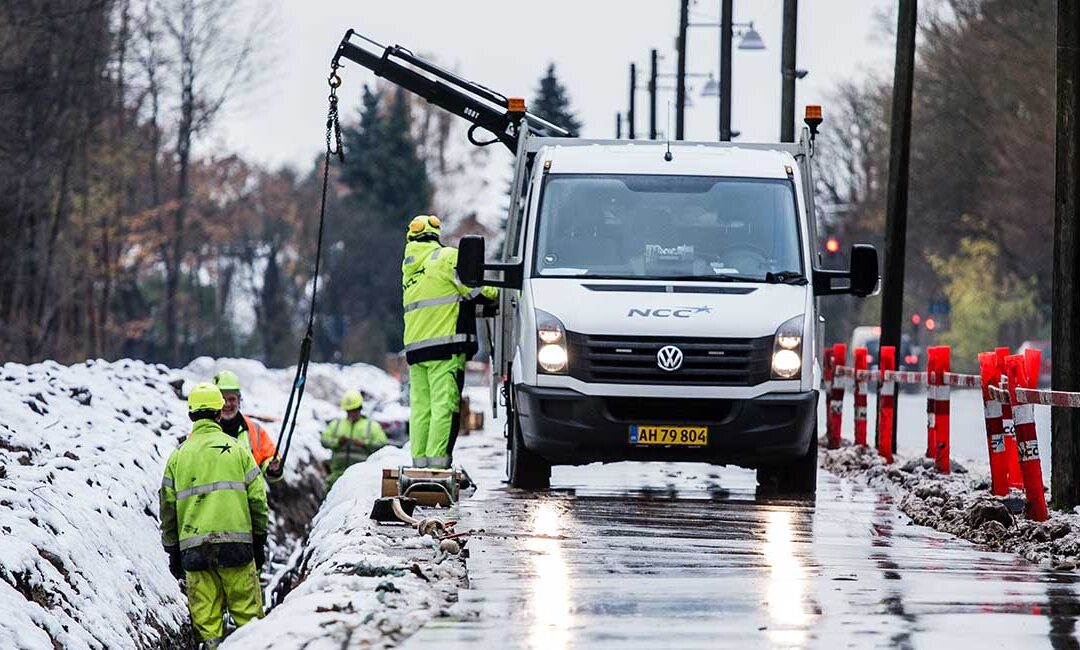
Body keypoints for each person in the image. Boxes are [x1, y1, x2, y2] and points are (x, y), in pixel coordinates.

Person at [160, 382, 268, 649]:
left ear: (191, 416)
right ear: (220, 413)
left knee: (208, 628)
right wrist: (259, 538)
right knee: (249, 620)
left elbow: (167, 509)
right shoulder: (238, 450)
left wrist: (172, 550)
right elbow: (257, 499)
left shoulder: (178, 456)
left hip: (195, 552)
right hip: (238, 549)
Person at [401, 214, 498, 469]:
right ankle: (437, 469)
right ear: (436, 235)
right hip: (446, 347)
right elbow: (476, 290)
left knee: (421, 409)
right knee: (444, 406)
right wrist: (498, 292)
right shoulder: (446, 258)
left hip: (416, 351)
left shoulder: (410, 270)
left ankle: (419, 466)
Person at [212, 370, 283, 482]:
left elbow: (269, 457)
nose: (227, 404)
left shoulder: (254, 430)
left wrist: (273, 468)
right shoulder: (202, 430)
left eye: (232, 399)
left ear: (239, 400)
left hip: (247, 498)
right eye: (222, 399)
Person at [319, 389, 388, 490]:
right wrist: (338, 442)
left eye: (354, 410)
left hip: (361, 477)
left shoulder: (371, 426)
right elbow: (324, 440)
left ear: (360, 408)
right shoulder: (337, 425)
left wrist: (364, 443)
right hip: (337, 474)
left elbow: (382, 443)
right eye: (349, 411)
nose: (351, 413)